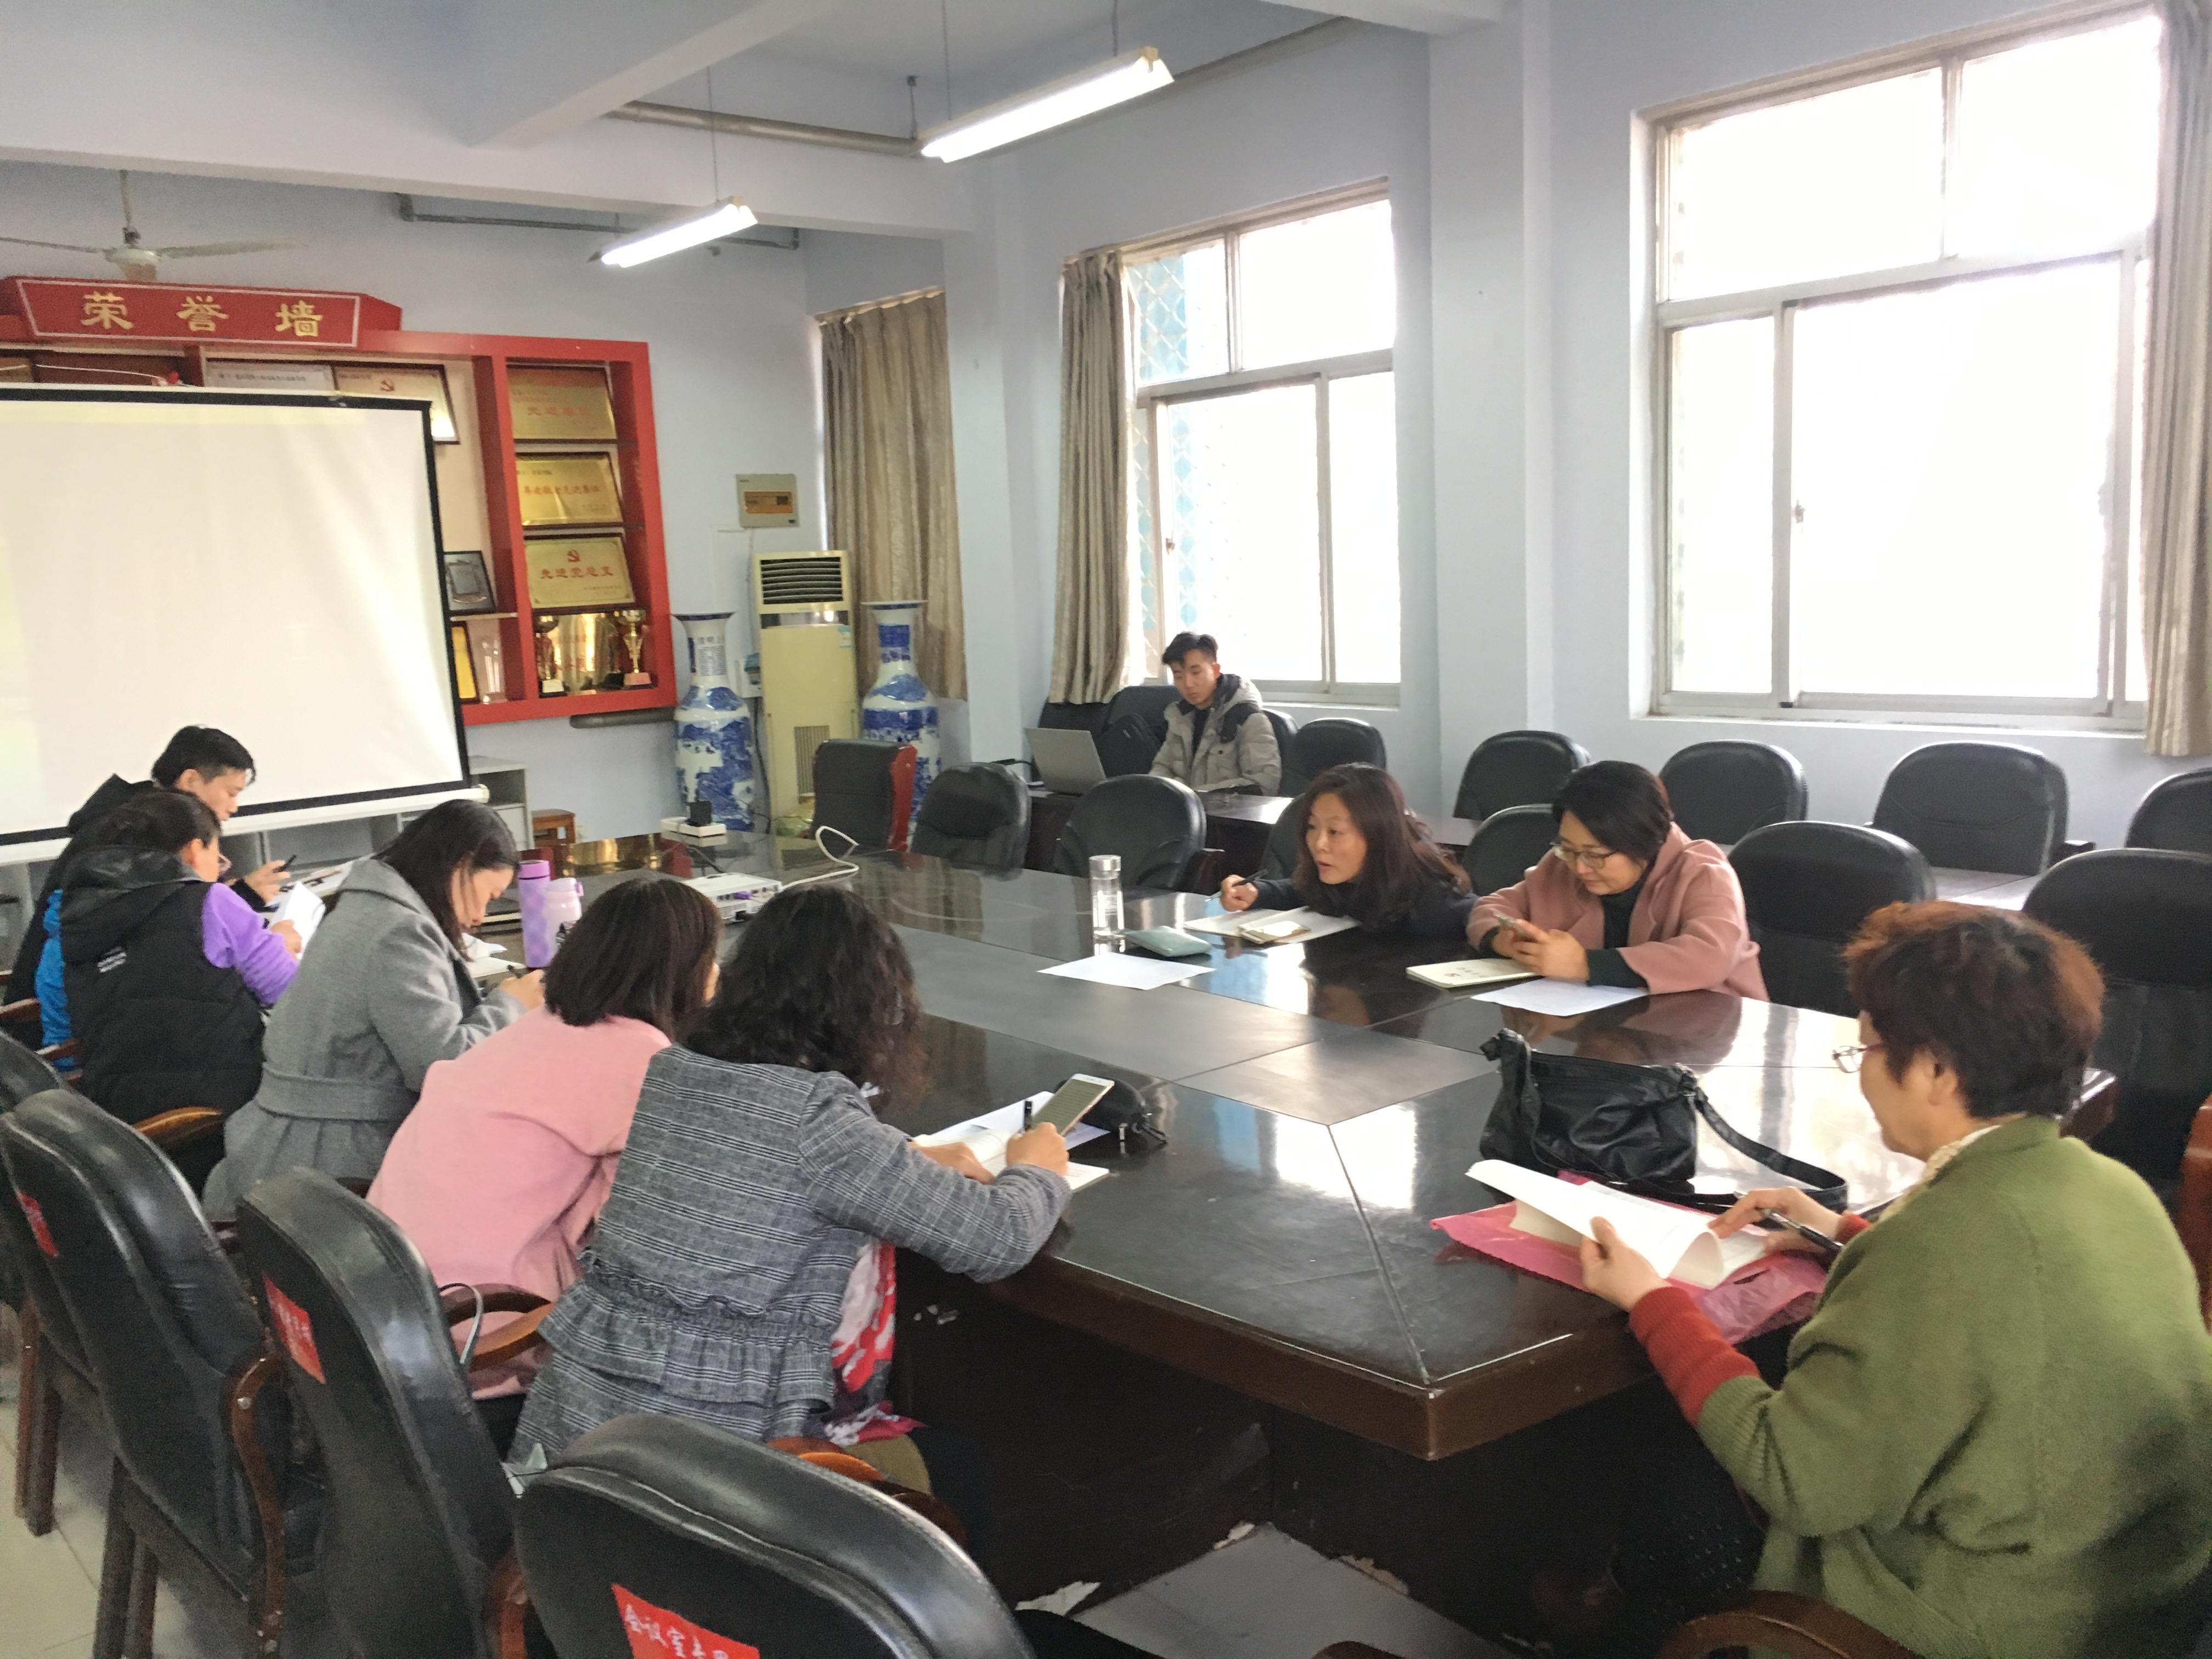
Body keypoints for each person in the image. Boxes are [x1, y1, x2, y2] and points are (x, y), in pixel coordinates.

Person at [1577, 903, 2212, 1658]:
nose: (1863, 1070)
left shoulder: (1941, 1245)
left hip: (1988, 1624)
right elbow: (2006, 1310)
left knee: (1670, 1467)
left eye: (1870, 1047)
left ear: (1937, 1070)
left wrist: (1652, 1300)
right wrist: (1845, 1234)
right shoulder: (2112, 1187)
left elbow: (1792, 1475)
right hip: (2132, 1587)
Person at [512, 883, 1070, 1485]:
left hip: (580, 1444)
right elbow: (998, 1237)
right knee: (967, 1470)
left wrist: (902, 1157)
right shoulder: (816, 1117)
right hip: (714, 1467)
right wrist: (1037, 1168)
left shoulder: (674, 1073)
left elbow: (762, 1162)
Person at [369, 876, 723, 1426]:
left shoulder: (537, 1025)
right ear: (682, 971)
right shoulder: (641, 1059)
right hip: (485, 1333)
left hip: (390, 1308)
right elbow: (653, 1234)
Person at [201, 800, 541, 1218]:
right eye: (487, 896)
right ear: (461, 866)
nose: (479, 918)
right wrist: (511, 1005)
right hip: (332, 1162)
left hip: (287, 1145)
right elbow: (441, 1066)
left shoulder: (365, 907)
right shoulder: (400, 931)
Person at [52, 790, 300, 1124]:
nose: (220, 868)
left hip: (120, 1118)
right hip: (222, 1113)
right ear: (195, 851)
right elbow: (290, 995)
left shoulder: (81, 918)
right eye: (217, 854)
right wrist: (280, 945)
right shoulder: (210, 900)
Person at [10, 725, 288, 1003]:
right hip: (71, 1005)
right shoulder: (136, 834)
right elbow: (161, 930)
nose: (235, 807)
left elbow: (161, 915)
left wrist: (242, 895)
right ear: (191, 780)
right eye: (230, 792)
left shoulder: (141, 818)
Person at [1468, 760, 1764, 997]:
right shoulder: (1562, 864)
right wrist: (1503, 940)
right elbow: (1491, 907)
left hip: (1707, 1031)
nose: (1580, 868)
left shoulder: (1703, 872)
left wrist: (1584, 964)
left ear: (1643, 842)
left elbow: (1710, 956)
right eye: (1568, 849)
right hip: (1605, 1027)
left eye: (1595, 855)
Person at [1218, 763, 1473, 939]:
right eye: (1312, 827)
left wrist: (1493, 935)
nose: (1319, 843)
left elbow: (1478, 916)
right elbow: (1302, 891)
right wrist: (1257, 892)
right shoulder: (1341, 879)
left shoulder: (1428, 896)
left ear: (1378, 834)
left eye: (1335, 832)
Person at [1148, 631, 1282, 795]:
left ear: (1216, 670)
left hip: (1229, 811)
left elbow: (1264, 783)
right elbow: (1162, 768)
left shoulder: (1248, 719)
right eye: (1179, 676)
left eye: (1196, 673)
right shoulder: (1179, 717)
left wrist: (1195, 796)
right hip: (1183, 809)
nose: (1188, 684)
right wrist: (1170, 793)